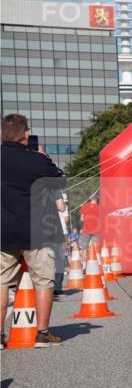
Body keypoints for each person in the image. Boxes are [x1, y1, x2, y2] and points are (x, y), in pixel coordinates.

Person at [1, 113, 66, 347]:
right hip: (37, 231)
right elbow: (60, 181)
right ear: (25, 135)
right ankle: (42, 333)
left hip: (4, 230)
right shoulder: (36, 160)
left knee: (2, 282)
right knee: (43, 281)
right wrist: (42, 156)